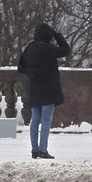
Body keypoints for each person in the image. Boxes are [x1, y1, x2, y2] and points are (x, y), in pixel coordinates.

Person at [16, 23, 71, 160]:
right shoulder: (48, 48)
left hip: (34, 88)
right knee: (46, 119)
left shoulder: (30, 48)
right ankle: (43, 149)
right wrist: (57, 35)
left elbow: (21, 67)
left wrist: (33, 73)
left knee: (35, 119)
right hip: (49, 88)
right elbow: (66, 50)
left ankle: (34, 149)